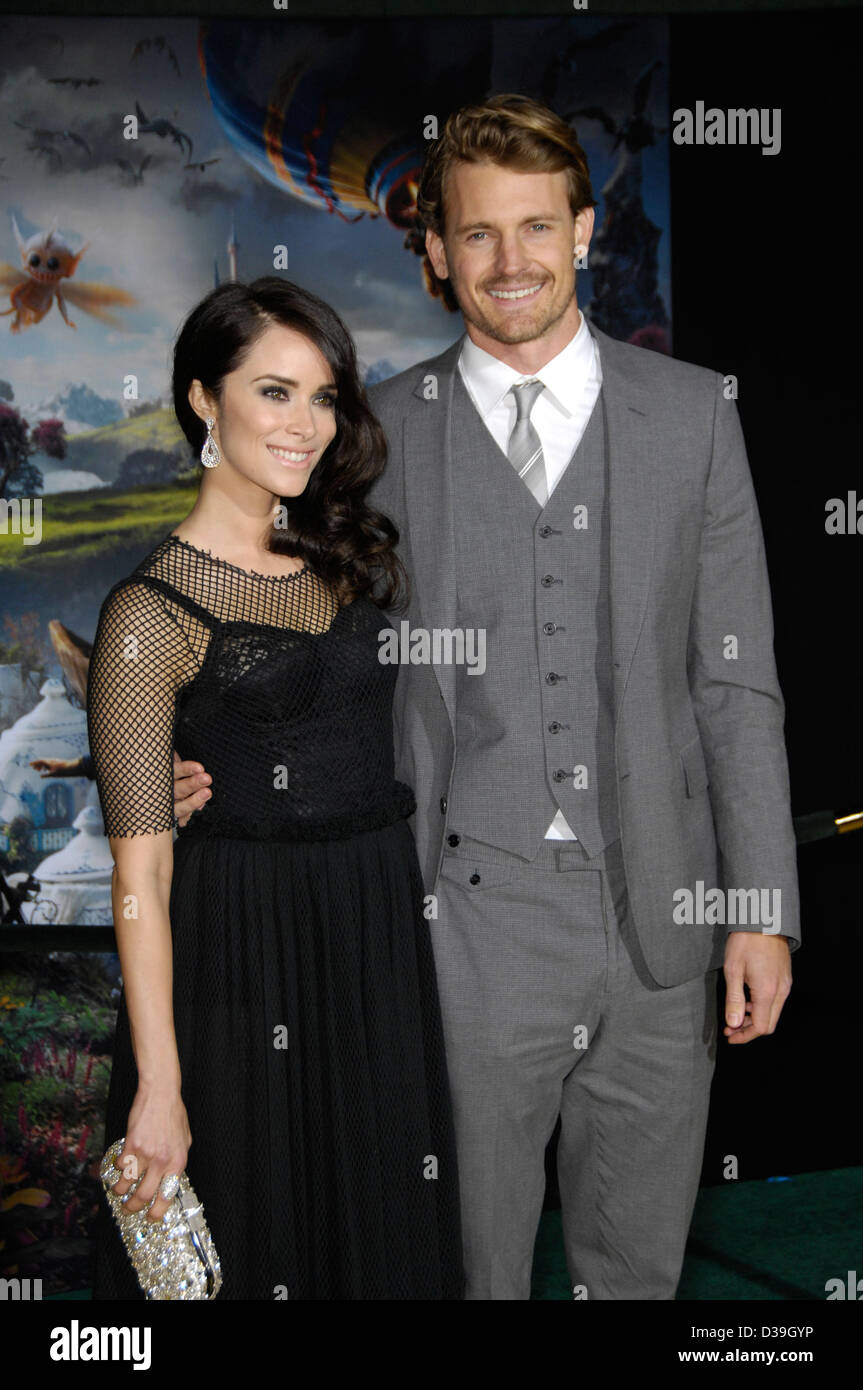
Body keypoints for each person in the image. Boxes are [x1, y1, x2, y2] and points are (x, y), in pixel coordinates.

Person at [175, 94, 800, 1301]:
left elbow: (734, 683)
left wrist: (759, 906)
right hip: (458, 930)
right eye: (475, 234)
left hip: (661, 923)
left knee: (635, 1274)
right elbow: (275, 628)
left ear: (581, 231)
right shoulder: (375, 437)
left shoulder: (692, 416)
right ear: (433, 250)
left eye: (532, 227)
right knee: (466, 1274)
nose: (507, 262)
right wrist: (190, 751)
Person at [87, 277, 464, 1299]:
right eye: (273, 391)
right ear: (204, 400)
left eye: (323, 396)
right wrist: (159, 1086)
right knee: (261, 1242)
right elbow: (140, 872)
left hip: (369, 939)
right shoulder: (145, 611)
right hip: (239, 955)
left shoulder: (340, 557)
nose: (305, 425)